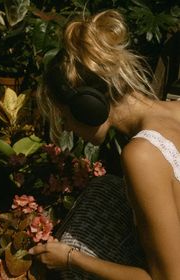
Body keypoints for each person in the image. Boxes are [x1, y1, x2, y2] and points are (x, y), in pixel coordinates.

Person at [29, 9, 180, 280]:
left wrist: (71, 258)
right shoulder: (176, 108)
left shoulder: (142, 155)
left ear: (87, 106)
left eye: (65, 118)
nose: (67, 129)